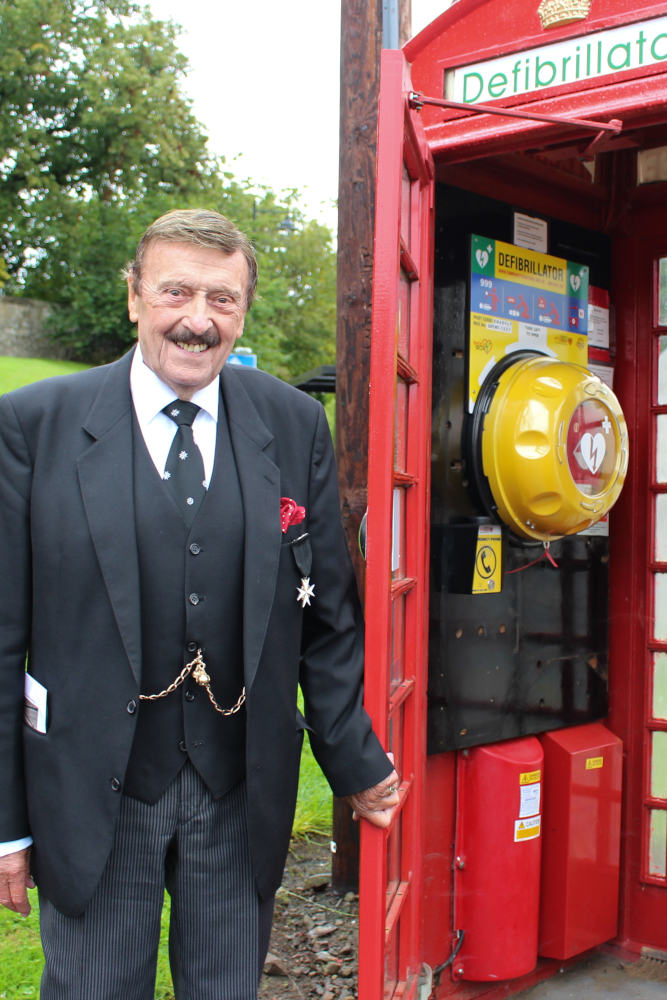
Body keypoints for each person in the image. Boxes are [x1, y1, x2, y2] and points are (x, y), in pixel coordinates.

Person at [0, 209, 398, 999]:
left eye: (221, 299)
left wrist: (352, 758)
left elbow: (326, 619)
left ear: (243, 310)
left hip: (238, 786)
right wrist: (7, 824)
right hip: (91, 791)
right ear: (135, 297)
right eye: (175, 292)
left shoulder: (291, 424)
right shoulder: (33, 426)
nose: (196, 319)